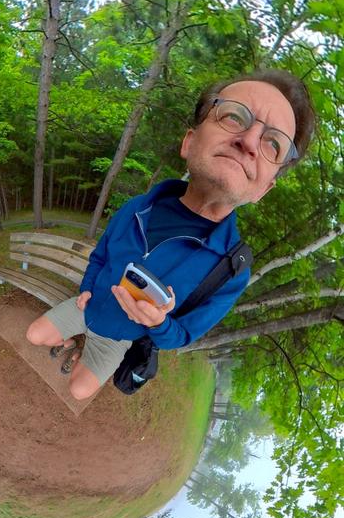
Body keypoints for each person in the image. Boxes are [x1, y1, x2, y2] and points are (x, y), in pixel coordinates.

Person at [26, 70, 315, 400]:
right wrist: (87, 289)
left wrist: (158, 322)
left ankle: (80, 353)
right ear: (189, 141)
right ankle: (72, 342)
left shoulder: (230, 273)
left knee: (78, 391)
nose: (249, 142)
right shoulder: (136, 207)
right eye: (235, 116)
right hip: (86, 308)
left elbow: (182, 335)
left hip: (118, 338)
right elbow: (100, 255)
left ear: (264, 189)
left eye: (273, 144)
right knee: (35, 335)